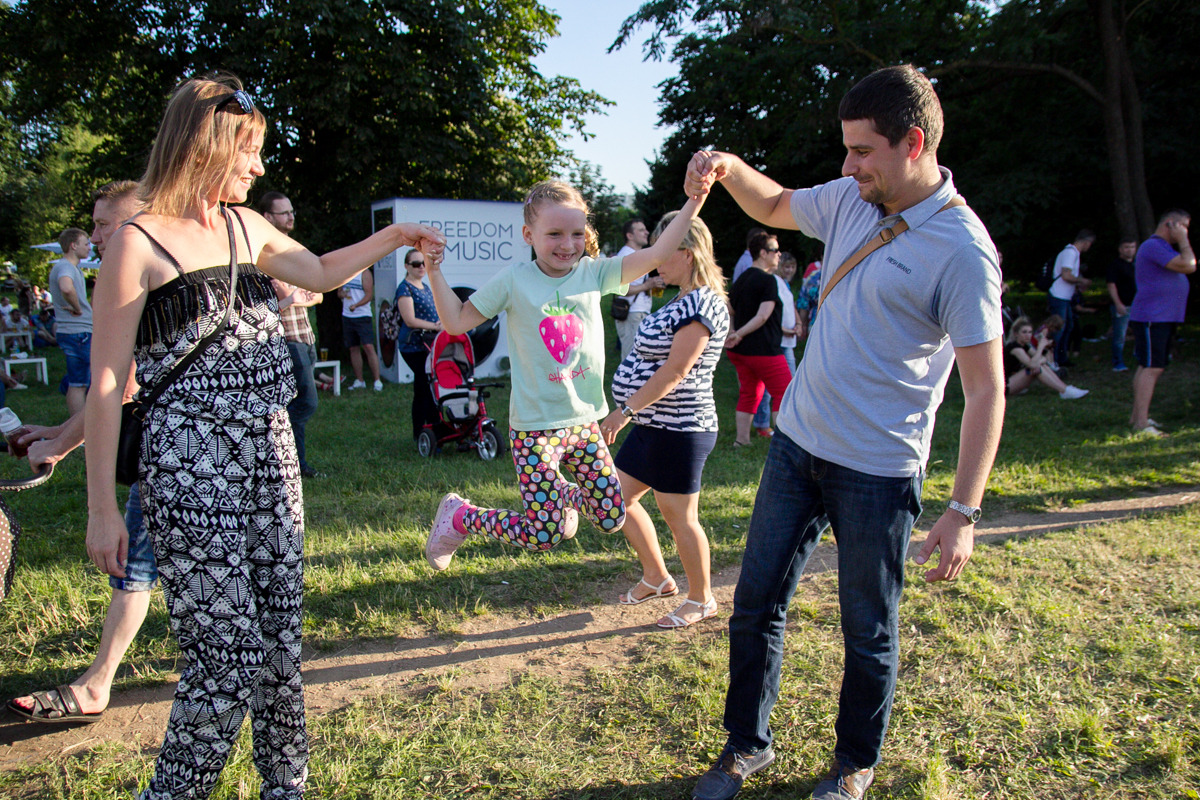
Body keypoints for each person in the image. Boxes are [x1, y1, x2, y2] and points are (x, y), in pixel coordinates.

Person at [83, 74, 443, 800]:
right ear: (207, 146)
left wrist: (396, 235)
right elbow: (103, 386)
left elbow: (317, 270)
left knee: (279, 645)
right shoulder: (137, 242)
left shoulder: (248, 227)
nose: (256, 168)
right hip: (189, 461)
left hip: (271, 451)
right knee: (227, 656)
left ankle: (288, 788)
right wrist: (99, 508)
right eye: (248, 152)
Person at [685, 64, 1005, 800]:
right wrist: (729, 167)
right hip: (797, 445)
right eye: (846, 148)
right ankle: (746, 746)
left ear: (912, 143)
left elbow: (986, 389)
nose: (848, 165)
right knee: (754, 604)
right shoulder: (852, 199)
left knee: (867, 630)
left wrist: (962, 512)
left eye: (862, 150)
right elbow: (773, 202)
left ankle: (853, 765)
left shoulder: (962, 250)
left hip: (878, 470)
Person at [422, 178, 708, 570]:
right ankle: (460, 516)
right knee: (544, 534)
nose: (567, 245)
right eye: (554, 233)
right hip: (533, 429)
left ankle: (555, 497)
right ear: (529, 234)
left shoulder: (594, 273)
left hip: (585, 423)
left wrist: (695, 199)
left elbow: (658, 251)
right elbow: (454, 322)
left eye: (576, 233)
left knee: (611, 516)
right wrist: (434, 271)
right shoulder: (513, 280)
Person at [5, 181, 152, 724]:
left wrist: (59, 445)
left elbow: (123, 387)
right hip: (185, 452)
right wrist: (59, 430)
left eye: (103, 224)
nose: (93, 235)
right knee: (149, 570)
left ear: (139, 223)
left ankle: (97, 684)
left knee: (136, 568)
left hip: (178, 455)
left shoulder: (142, 281)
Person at [599, 212, 729, 628]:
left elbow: (676, 372)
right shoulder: (678, 298)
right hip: (655, 425)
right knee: (616, 498)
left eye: (664, 248)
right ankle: (656, 577)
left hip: (682, 428)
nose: (654, 257)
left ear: (687, 254)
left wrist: (624, 411)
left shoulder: (704, 302)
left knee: (678, 516)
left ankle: (701, 598)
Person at [261, 191, 325, 478]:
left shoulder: (295, 251)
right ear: (267, 217)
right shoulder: (263, 257)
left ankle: (292, 462)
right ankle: (288, 460)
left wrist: (298, 296)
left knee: (296, 402)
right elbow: (272, 302)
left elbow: (319, 294)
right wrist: (294, 297)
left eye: (291, 212)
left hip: (305, 338)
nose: (290, 217)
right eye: (283, 213)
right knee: (305, 403)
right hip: (286, 340)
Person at [1128, 209, 1194, 436]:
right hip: (1152, 317)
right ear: (1170, 224)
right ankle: (1141, 424)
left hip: (1161, 317)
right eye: (1183, 226)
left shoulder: (1163, 248)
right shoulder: (1153, 245)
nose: (1186, 231)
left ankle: (1138, 417)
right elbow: (1189, 265)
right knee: (1151, 367)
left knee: (1148, 365)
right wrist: (1184, 240)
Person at [726, 231, 792, 447]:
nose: (779, 255)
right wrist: (738, 333)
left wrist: (734, 333)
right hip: (764, 350)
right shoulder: (768, 281)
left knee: (749, 393)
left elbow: (730, 310)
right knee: (784, 392)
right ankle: (784, 446)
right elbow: (763, 316)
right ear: (762, 253)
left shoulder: (741, 279)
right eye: (774, 250)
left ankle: (741, 441)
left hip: (740, 351)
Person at [394, 248, 443, 441]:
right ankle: (425, 431)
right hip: (413, 346)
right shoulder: (404, 288)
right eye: (416, 264)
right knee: (424, 387)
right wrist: (435, 326)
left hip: (428, 344)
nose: (421, 267)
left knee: (426, 387)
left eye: (423, 263)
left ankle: (429, 430)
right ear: (407, 266)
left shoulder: (424, 285)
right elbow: (410, 320)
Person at [750, 251, 798, 437]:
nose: (788, 269)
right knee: (770, 386)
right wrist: (782, 328)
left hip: (788, 341)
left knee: (789, 384)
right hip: (775, 341)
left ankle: (786, 427)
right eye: (785, 265)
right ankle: (764, 424)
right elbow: (767, 311)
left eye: (791, 266)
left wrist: (799, 323)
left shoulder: (784, 284)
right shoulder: (769, 281)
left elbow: (790, 306)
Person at [49, 226, 95, 415]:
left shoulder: (67, 266)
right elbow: (66, 287)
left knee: (78, 382)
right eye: (86, 243)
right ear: (73, 245)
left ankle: (77, 430)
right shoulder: (65, 266)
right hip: (78, 332)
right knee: (80, 383)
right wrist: (77, 308)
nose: (89, 248)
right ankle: (81, 432)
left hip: (74, 331)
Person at [613, 218, 663, 360]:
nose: (646, 232)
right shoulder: (627, 255)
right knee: (631, 358)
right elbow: (620, 288)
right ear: (630, 236)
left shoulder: (633, 255)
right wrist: (648, 285)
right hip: (633, 313)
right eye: (641, 230)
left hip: (636, 312)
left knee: (638, 357)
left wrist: (649, 284)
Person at [1003, 316, 1088, 398]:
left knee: (1039, 366)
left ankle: (1065, 389)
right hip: (1005, 385)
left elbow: (1043, 359)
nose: (1028, 335)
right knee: (1036, 368)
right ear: (1016, 334)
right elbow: (1032, 364)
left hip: (1014, 379)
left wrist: (1039, 359)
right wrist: (1040, 347)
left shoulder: (1025, 346)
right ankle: (1064, 390)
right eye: (1024, 332)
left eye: (1030, 332)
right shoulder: (1014, 347)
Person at [1048, 230, 1095, 367]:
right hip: (1059, 296)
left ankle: (1061, 358)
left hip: (1064, 296)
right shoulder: (1070, 253)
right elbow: (1066, 275)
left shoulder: (1073, 253)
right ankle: (1053, 359)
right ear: (1086, 242)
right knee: (1059, 328)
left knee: (1068, 326)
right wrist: (1082, 281)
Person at [340, 265, 382, 391]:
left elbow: (369, 295)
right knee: (353, 348)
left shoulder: (365, 273)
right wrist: (342, 294)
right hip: (347, 315)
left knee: (368, 346)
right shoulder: (345, 273)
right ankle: (360, 380)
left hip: (362, 315)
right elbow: (339, 293)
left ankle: (377, 380)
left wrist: (356, 305)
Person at [1106, 237, 1138, 372]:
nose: (1130, 250)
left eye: (1132, 247)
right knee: (1120, 335)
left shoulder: (1137, 263)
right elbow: (1111, 285)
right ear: (1120, 249)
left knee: (1140, 331)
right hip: (1123, 304)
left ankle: (1139, 356)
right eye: (1126, 247)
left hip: (1138, 304)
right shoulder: (1115, 265)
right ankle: (1118, 362)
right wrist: (1118, 303)